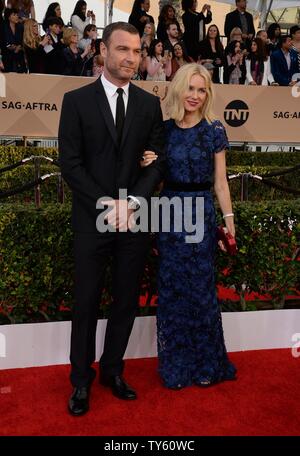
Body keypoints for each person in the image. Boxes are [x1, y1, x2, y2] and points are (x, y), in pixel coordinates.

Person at [58, 21, 166, 416]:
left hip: (133, 220)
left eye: (137, 51)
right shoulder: (76, 101)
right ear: (103, 50)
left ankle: (113, 371)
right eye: (123, 49)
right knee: (85, 303)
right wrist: (108, 203)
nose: (131, 58)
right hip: (92, 219)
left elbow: (157, 162)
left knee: (124, 301)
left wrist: (133, 201)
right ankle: (81, 381)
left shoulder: (149, 104)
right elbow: (70, 165)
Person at [141, 63, 236, 390]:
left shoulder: (214, 130)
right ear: (179, 88)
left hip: (201, 216)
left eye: (202, 90)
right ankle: (177, 365)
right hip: (169, 214)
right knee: (172, 291)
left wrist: (229, 221)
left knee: (200, 291)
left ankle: (207, 362)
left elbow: (221, 183)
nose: (195, 95)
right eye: (191, 88)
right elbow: (152, 176)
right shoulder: (164, 131)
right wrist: (147, 162)